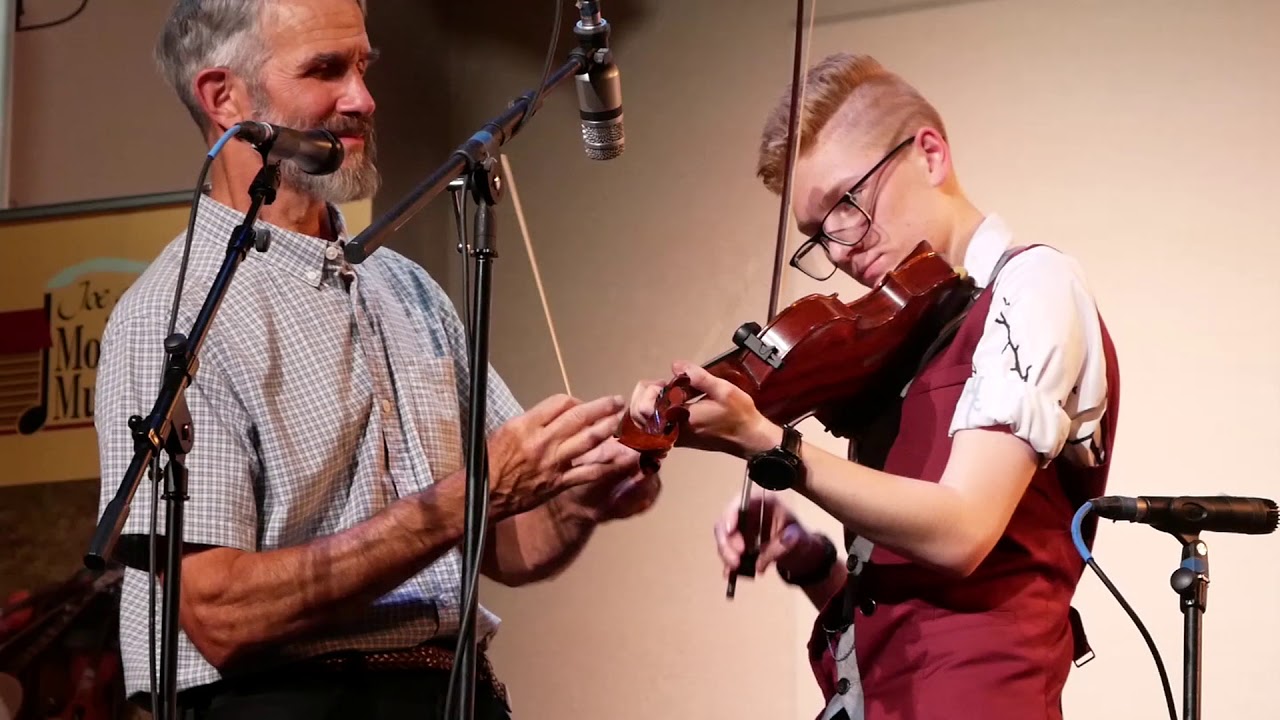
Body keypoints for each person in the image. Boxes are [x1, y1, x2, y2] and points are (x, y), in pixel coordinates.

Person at [94, 1, 659, 718]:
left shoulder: (406, 287)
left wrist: (582, 497)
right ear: (223, 97)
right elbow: (222, 616)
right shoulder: (172, 316)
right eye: (325, 70)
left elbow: (509, 542)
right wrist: (470, 497)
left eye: (363, 67)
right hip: (298, 703)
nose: (362, 99)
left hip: (453, 691)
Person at [626, 53, 1119, 720]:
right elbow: (906, 612)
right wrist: (812, 560)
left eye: (847, 205)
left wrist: (773, 446)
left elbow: (962, 532)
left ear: (930, 155)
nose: (838, 249)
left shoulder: (1033, 288)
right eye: (816, 235)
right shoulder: (903, 335)